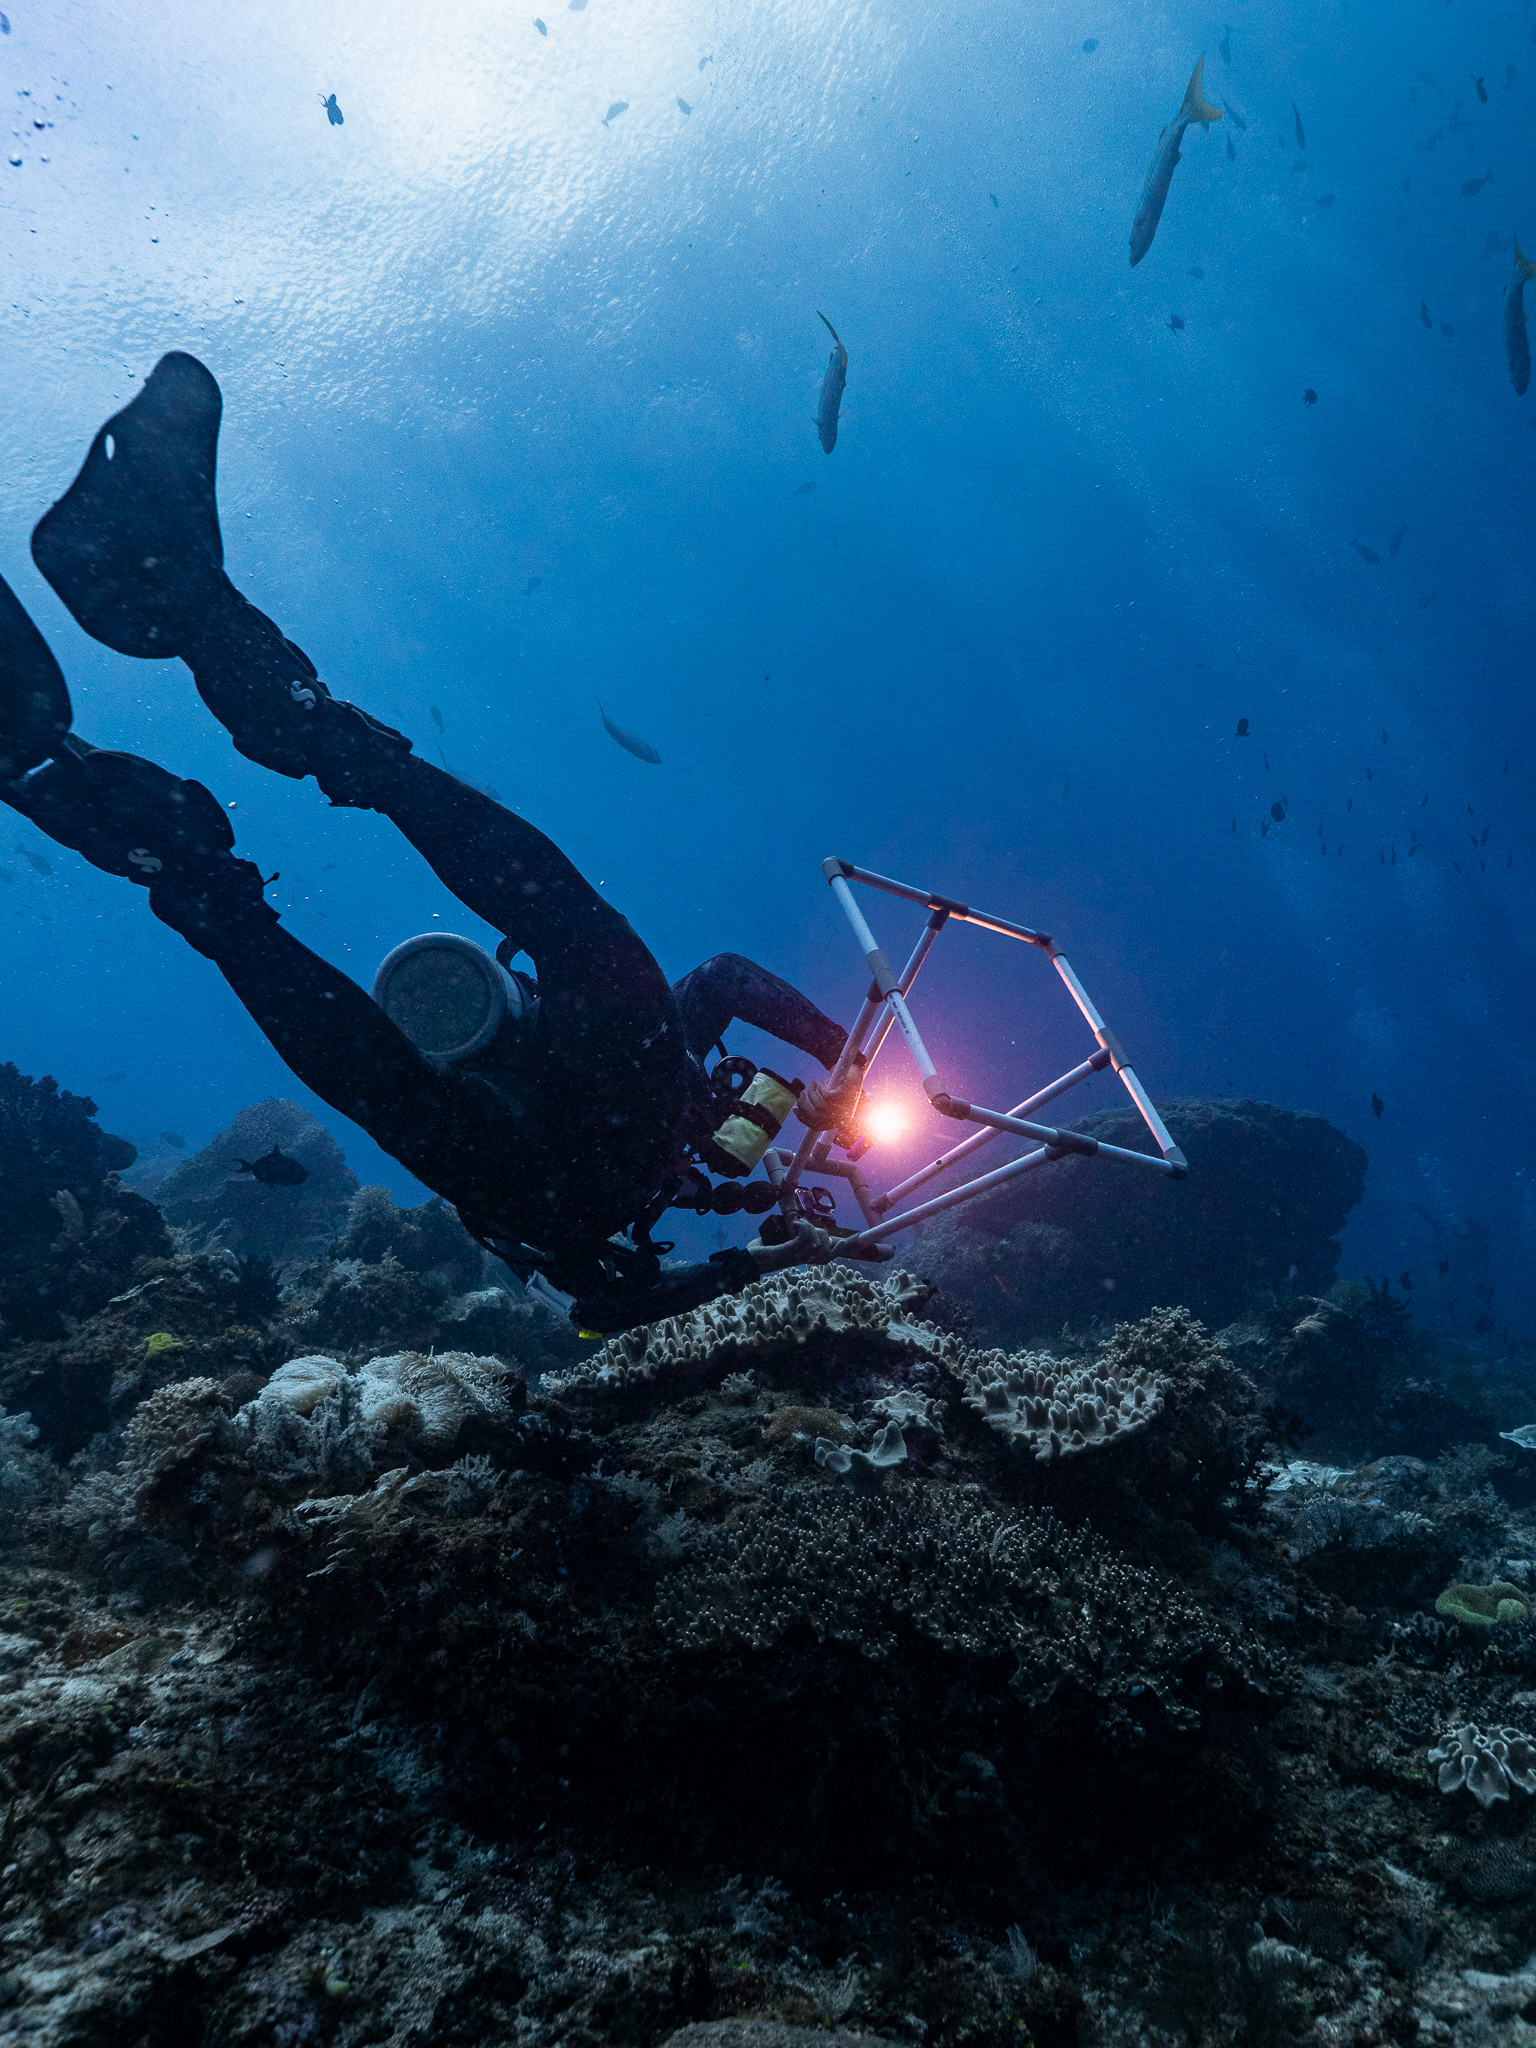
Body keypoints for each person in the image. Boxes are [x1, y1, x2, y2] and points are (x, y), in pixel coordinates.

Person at [0, 353, 877, 1332]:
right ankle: (145, 727)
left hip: (545, 1169)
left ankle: (193, 722)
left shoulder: (591, 1166)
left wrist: (760, 1237)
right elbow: (717, 982)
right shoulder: (650, 1099)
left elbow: (599, 1306)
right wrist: (839, 1073)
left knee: (540, 958)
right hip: (572, 1140)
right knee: (477, 1008)